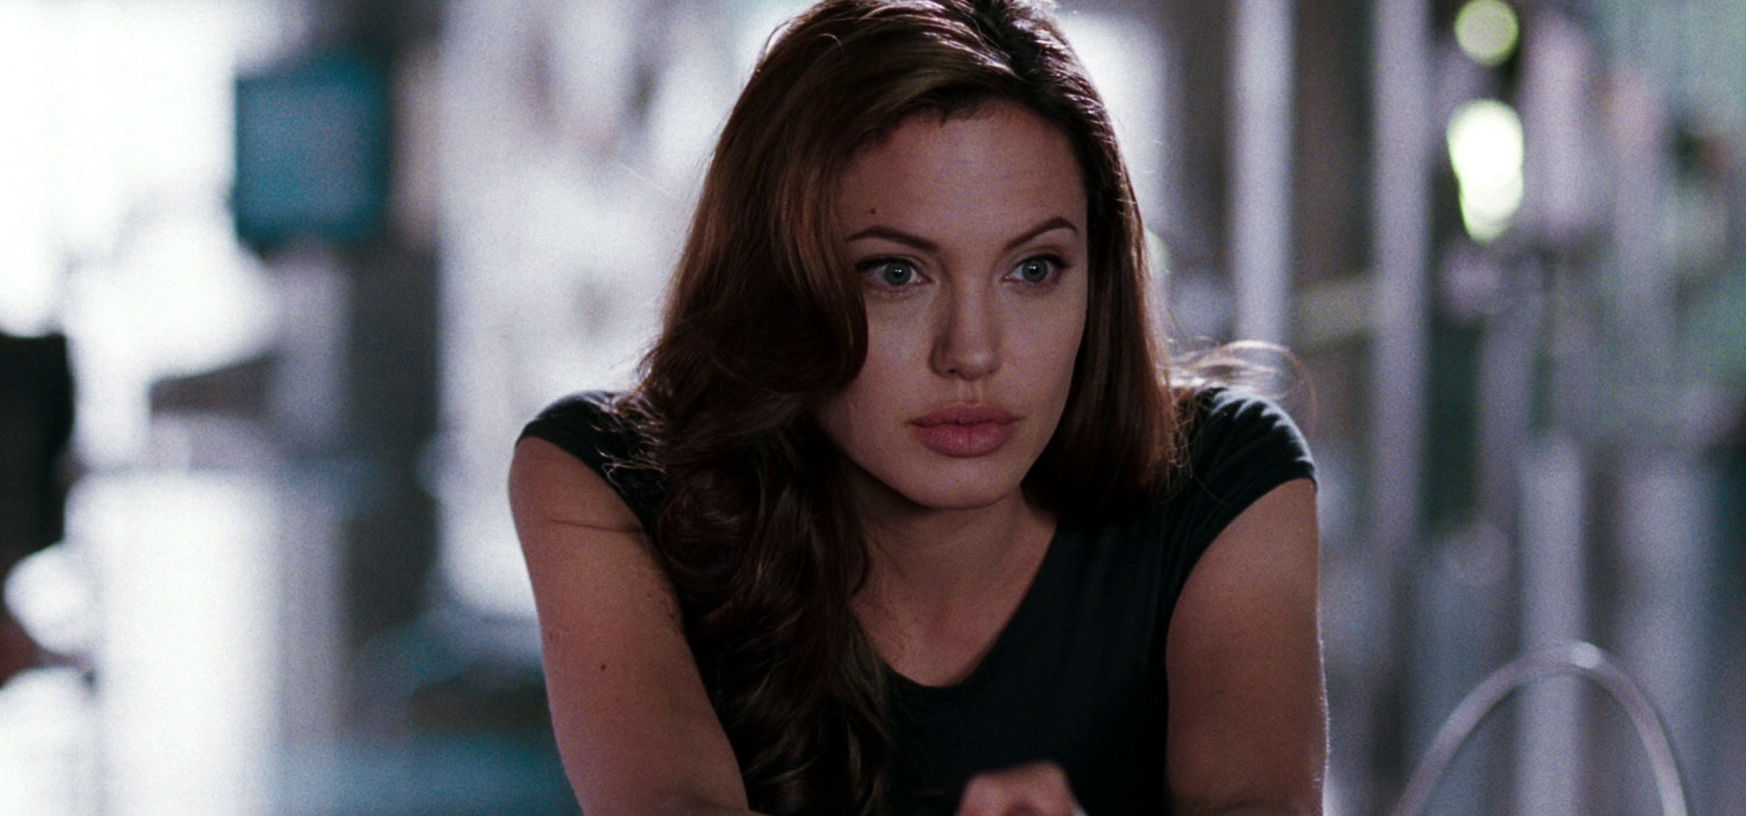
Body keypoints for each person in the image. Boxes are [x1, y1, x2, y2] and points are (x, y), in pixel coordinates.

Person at [508, 2, 1324, 814]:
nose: (972, 352)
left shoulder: (1221, 477)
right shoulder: (607, 478)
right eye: (895, 273)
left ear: (1098, 280)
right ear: (776, 283)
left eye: (1034, 269)